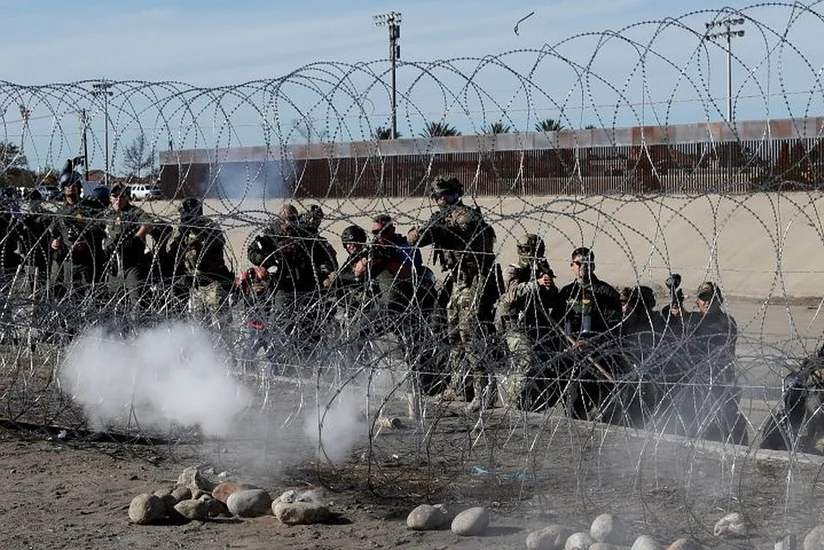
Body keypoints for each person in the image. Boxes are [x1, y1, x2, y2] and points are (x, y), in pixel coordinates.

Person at [408, 174, 502, 412]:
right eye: (439, 196)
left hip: (475, 278)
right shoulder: (441, 217)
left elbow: (458, 233)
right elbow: (415, 239)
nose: (443, 200)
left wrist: (436, 229)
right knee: (454, 335)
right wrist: (426, 229)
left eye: (448, 195)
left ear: (457, 194)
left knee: (470, 335)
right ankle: (459, 386)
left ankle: (483, 392)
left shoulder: (467, 215)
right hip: (457, 280)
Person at [247, 203, 334, 366]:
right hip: (282, 286)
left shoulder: (306, 235)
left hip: (306, 287)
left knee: (309, 327)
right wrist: (265, 263)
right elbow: (252, 252)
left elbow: (327, 257)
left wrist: (327, 271)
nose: (288, 223)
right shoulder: (271, 235)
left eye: (292, 219)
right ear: (279, 220)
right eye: (285, 220)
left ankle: (308, 364)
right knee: (281, 324)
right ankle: (281, 363)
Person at [495, 233, 565, 412]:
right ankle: (514, 401)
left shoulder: (541, 270)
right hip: (514, 326)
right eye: (527, 250)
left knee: (543, 365)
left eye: (534, 251)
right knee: (525, 360)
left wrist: (549, 287)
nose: (530, 254)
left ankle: (532, 403)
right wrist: (537, 283)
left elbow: (551, 300)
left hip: (536, 326)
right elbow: (512, 294)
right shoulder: (513, 271)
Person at [556, 247, 623, 420]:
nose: (583, 267)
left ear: (593, 266)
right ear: (572, 266)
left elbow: (614, 327)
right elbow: (557, 322)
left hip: (599, 358)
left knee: (602, 408)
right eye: (578, 263)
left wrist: (591, 342)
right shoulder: (566, 293)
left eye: (587, 263)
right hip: (571, 358)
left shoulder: (607, 293)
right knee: (573, 406)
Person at [679, 281, 749, 445]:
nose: (707, 302)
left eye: (712, 298)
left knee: (722, 423)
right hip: (697, 384)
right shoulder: (692, 319)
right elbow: (678, 322)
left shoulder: (726, 322)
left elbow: (715, 336)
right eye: (703, 298)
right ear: (697, 301)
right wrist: (677, 306)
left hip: (720, 381)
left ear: (720, 301)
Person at [165, 197, 234, 329]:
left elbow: (212, 246)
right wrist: (181, 233)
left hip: (213, 283)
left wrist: (196, 235)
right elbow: (169, 249)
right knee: (199, 327)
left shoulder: (209, 227)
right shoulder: (182, 229)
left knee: (220, 324)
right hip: (195, 285)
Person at [49, 159, 107, 303]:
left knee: (89, 297)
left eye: (74, 185)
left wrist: (84, 227)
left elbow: (101, 229)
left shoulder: (89, 208)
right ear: (63, 189)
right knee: (70, 297)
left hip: (88, 260)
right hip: (69, 261)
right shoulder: (61, 213)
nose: (71, 188)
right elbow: (54, 234)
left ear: (79, 188)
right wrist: (54, 243)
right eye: (67, 185)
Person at [103, 184, 152, 326]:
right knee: (115, 304)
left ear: (127, 198)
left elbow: (148, 223)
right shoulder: (107, 214)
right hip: (113, 267)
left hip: (132, 265)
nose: (118, 199)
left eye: (122, 196)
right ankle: (120, 333)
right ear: (110, 198)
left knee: (137, 303)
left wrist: (136, 238)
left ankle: (139, 332)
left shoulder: (133, 212)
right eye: (115, 196)